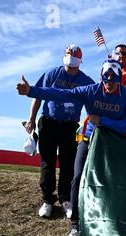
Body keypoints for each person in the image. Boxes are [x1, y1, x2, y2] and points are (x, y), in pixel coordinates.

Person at [17, 59, 126, 236]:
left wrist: (102, 120)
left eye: (114, 82)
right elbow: (62, 94)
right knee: (78, 176)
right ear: (101, 78)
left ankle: (110, 223)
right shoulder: (91, 90)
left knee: (111, 181)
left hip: (112, 143)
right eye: (106, 81)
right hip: (88, 138)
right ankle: (75, 226)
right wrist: (32, 91)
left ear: (120, 80)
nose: (109, 86)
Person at [24, 44, 94, 219]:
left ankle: (65, 199)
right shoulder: (52, 74)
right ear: (64, 55)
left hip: (70, 126)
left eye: (75, 54)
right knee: (47, 162)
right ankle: (47, 200)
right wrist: (31, 119)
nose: (71, 57)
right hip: (48, 123)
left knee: (68, 163)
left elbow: (96, 98)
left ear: (80, 59)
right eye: (68, 53)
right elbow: (38, 95)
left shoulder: (85, 80)